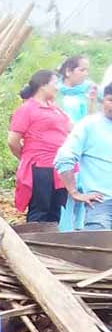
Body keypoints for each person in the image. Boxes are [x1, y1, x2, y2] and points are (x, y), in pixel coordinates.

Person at [7, 70, 71, 224]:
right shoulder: (27, 109)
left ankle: (52, 245)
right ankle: (34, 243)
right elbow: (13, 140)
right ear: (43, 85)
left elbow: (71, 129)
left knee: (56, 208)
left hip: (59, 166)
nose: (57, 88)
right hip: (40, 165)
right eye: (54, 84)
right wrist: (27, 157)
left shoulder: (55, 108)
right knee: (40, 208)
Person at [55, 83, 112, 230]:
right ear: (102, 100)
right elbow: (64, 158)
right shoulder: (89, 125)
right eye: (110, 100)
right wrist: (74, 192)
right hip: (102, 204)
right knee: (101, 249)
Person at [56, 55, 98, 231]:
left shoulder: (86, 92)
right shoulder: (55, 92)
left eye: (87, 70)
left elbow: (89, 121)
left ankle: (79, 229)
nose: (85, 74)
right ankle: (62, 231)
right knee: (63, 194)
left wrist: (91, 101)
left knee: (81, 189)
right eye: (82, 69)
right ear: (68, 71)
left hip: (81, 149)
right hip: (61, 149)